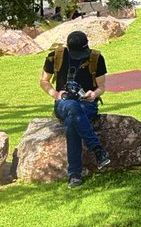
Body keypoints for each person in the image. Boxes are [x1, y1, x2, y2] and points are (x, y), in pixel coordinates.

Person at [39, 31, 111, 188]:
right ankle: (97, 149)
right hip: (64, 103)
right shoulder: (55, 56)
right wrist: (56, 94)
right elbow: (44, 81)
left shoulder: (96, 58)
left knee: (72, 122)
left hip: (87, 104)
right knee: (72, 107)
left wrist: (94, 94)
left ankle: (74, 174)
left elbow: (101, 86)